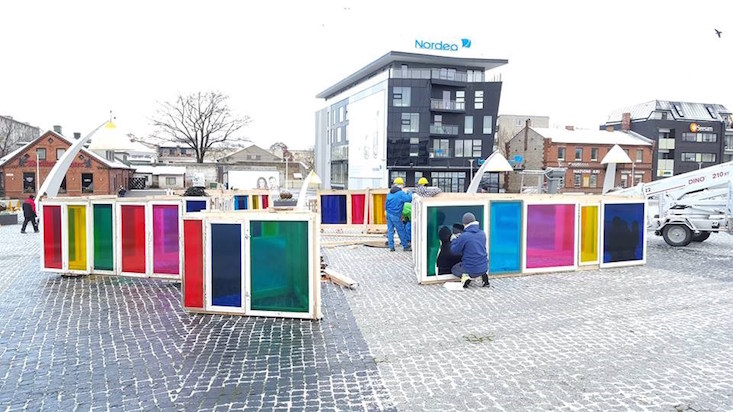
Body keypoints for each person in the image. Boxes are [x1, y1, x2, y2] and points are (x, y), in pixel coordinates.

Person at [450, 212, 490, 288]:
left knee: (455, 268)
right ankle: (485, 280)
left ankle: (466, 277)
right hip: (484, 267)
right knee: (479, 261)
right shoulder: (482, 233)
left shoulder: (464, 236)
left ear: (464, 224)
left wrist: (454, 240)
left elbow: (454, 251)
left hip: (471, 269)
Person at [385, 178, 412, 252]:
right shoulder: (400, 193)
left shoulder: (389, 193)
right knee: (401, 230)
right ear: (401, 185)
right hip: (396, 215)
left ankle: (391, 247)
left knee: (390, 230)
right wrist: (410, 192)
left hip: (388, 214)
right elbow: (409, 199)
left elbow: (385, 205)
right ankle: (405, 246)